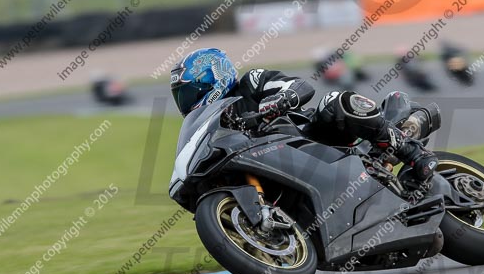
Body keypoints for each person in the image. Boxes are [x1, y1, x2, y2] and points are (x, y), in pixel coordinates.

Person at [169, 48, 438, 184]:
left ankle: (413, 152)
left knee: (336, 99)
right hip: (280, 168)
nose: (187, 102)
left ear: (213, 79)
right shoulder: (209, 123)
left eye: (190, 93)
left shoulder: (250, 83)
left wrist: (278, 101)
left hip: (311, 137)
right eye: (181, 97)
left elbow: (301, 86)